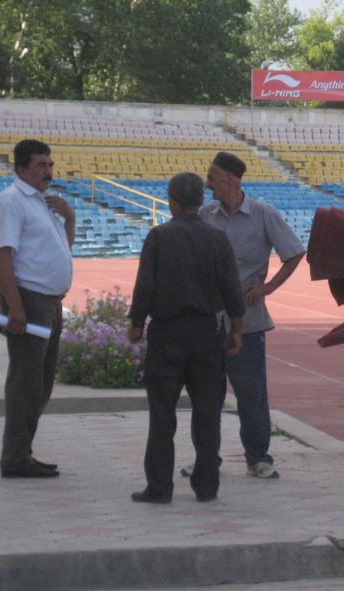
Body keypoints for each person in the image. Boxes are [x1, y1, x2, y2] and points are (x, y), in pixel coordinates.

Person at [185, 151, 306, 480]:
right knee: (206, 395)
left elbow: (294, 253)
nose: (207, 185)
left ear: (231, 180)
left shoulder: (264, 215)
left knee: (251, 394)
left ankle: (258, 458)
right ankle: (206, 458)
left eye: (213, 178)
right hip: (208, 321)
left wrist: (268, 288)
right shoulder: (205, 216)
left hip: (248, 322)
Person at [128, 172, 244, 504]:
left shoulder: (159, 237)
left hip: (167, 333)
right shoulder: (218, 239)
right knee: (208, 413)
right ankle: (207, 487)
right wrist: (236, 329)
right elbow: (232, 289)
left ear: (172, 201)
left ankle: (160, 487)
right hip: (207, 333)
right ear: (200, 202)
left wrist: (136, 322)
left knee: (162, 414)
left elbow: (145, 286)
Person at [0, 139, 75, 478]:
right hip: (31, 303)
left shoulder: (43, 204)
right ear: (21, 168)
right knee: (26, 381)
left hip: (49, 304)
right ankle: (14, 458)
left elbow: (62, 250)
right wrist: (16, 307)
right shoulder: (11, 202)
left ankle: (22, 451)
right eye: (40, 165)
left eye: (50, 165)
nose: (48, 171)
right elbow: (2, 256)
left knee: (41, 382)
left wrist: (69, 217)